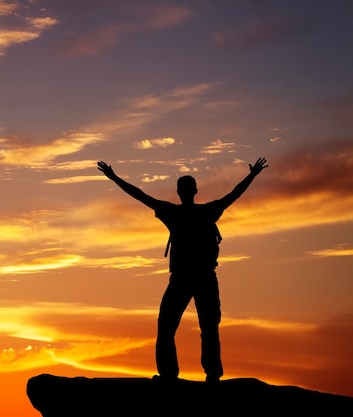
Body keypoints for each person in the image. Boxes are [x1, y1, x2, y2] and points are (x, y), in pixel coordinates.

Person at [97, 157, 268, 382]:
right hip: (202, 277)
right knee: (206, 328)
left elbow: (140, 195)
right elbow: (234, 195)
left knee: (171, 327)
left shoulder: (174, 213)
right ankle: (211, 375)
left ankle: (172, 374)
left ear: (180, 192)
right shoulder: (207, 211)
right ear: (194, 190)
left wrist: (114, 177)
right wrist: (252, 175)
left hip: (185, 278)